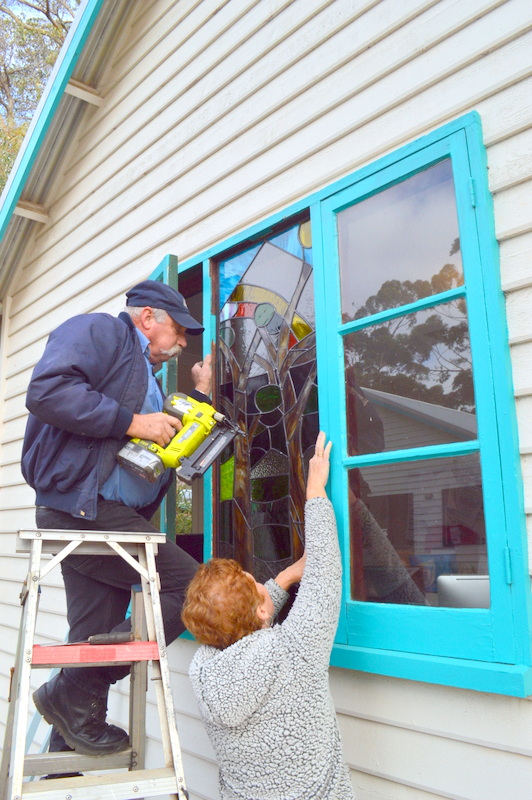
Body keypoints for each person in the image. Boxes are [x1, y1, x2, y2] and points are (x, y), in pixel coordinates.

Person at [21, 280, 211, 757]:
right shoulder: (99, 332)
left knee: (89, 634)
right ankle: (67, 692)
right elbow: (47, 391)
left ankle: (66, 747)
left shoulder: (143, 375)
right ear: (147, 318)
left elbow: (163, 444)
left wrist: (201, 400)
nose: (183, 343)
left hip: (103, 513)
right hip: (82, 511)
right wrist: (134, 422)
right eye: (179, 331)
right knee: (191, 589)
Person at [182, 432, 356, 800]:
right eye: (256, 583)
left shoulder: (202, 667)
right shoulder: (292, 652)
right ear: (262, 610)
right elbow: (325, 576)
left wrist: (287, 577)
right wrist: (315, 491)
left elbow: (245, 625)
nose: (262, 581)